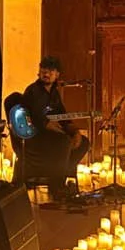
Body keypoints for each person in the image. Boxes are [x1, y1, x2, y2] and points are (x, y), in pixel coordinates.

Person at [20, 55, 89, 205]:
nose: (46, 73)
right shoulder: (33, 91)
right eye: (43, 69)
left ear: (57, 74)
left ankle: (62, 176)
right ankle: (56, 185)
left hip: (53, 135)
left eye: (51, 70)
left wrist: (74, 132)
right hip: (36, 137)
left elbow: (62, 116)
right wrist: (54, 129)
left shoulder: (54, 93)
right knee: (64, 142)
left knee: (83, 142)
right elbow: (34, 118)